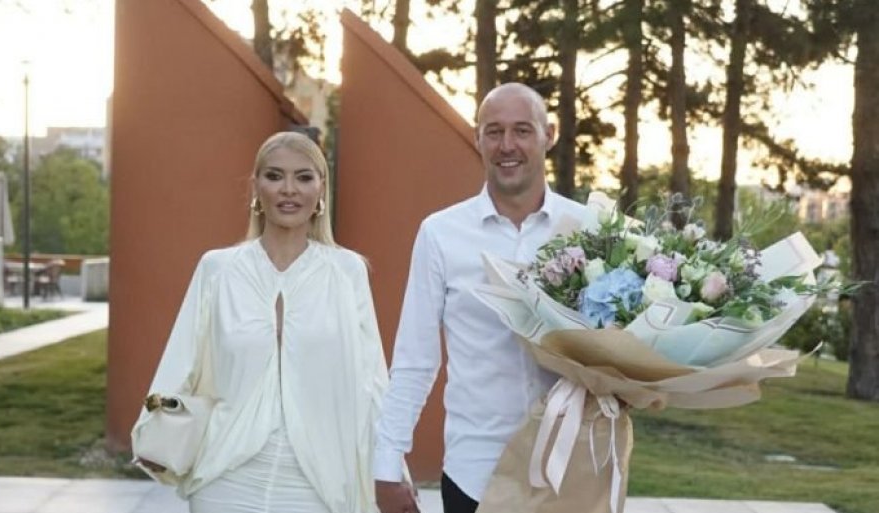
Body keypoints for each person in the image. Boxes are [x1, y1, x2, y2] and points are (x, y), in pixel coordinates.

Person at [133, 131, 388, 513]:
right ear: (256, 187)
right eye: (274, 176)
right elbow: (181, 358)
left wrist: (391, 467)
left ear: (321, 189)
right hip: (224, 474)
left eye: (304, 177)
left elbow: (372, 379)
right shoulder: (217, 269)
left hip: (320, 479)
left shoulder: (346, 271)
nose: (289, 189)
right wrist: (155, 432)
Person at [373, 83, 599, 513]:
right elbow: (415, 361)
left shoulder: (590, 231)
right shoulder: (441, 234)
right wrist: (386, 465)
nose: (507, 145)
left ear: (549, 135)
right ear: (477, 138)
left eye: (522, 130)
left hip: (573, 477)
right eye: (493, 132)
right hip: (475, 475)